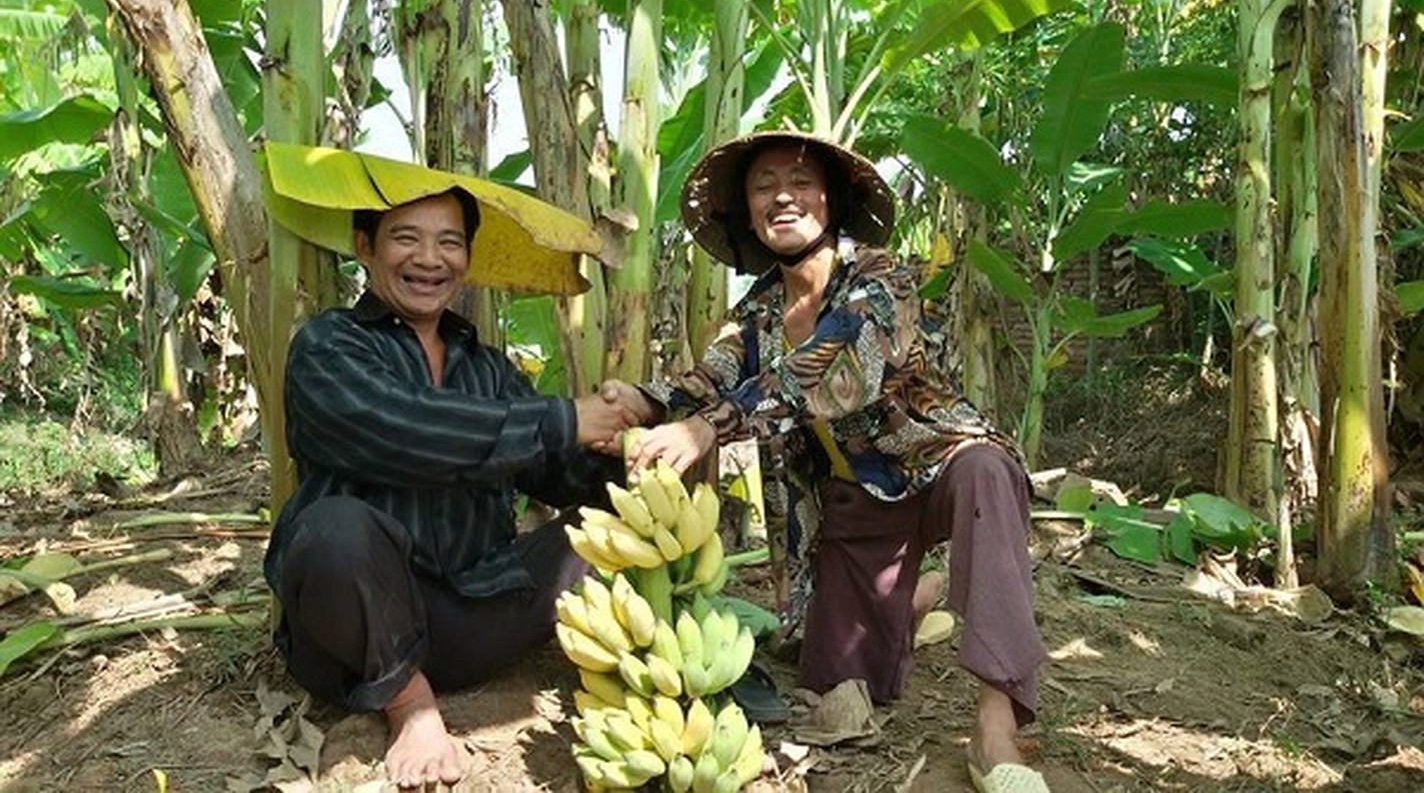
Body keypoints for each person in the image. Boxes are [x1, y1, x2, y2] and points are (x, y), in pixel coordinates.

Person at [626, 132, 1049, 793]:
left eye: (799, 181)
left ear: (832, 199)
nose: (782, 197)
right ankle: (911, 597)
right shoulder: (757, 313)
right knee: (838, 682)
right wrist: (636, 401)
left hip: (935, 466)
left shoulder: (880, 279)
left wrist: (707, 431)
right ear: (746, 210)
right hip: (854, 504)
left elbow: (824, 372)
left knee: (987, 471)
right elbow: (706, 382)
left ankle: (996, 725)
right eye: (763, 186)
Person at [263, 188, 653, 790]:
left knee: (615, 517)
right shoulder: (328, 346)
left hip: (476, 614)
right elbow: (401, 429)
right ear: (364, 247)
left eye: (449, 242)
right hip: (355, 630)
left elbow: (556, 471)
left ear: (467, 257)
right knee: (333, 531)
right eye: (406, 238)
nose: (430, 258)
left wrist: (637, 438)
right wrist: (566, 419)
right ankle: (410, 706)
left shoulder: (487, 368)